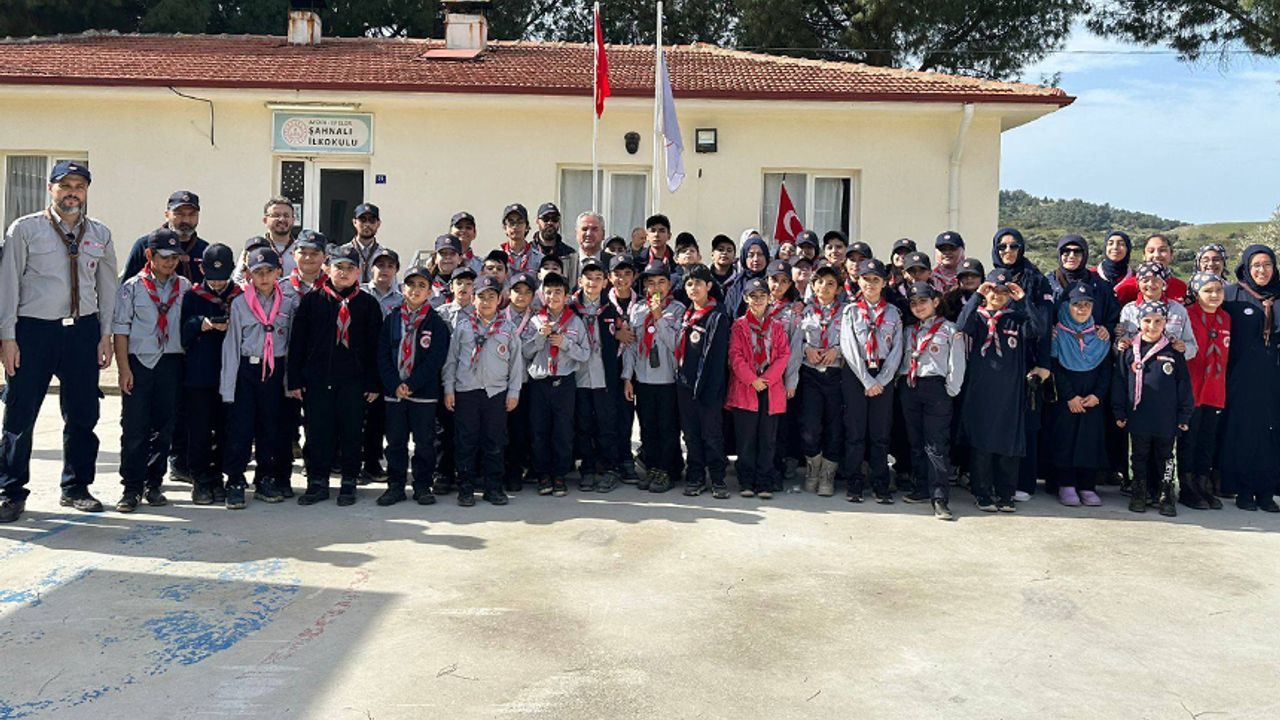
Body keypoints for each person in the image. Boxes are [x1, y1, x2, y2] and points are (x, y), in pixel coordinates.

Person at [0, 161, 118, 523]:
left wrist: (105, 335)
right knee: (20, 414)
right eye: (65, 185)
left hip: (82, 332)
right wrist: (7, 337)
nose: (72, 193)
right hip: (34, 331)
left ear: (86, 191)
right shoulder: (25, 229)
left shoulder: (100, 233)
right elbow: (8, 285)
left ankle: (76, 488)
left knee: (83, 414)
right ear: (50, 188)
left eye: (79, 186)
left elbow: (108, 288)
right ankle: (10, 491)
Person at [288, 244, 382, 507]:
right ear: (328, 269)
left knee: (351, 432)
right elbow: (298, 343)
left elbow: (376, 346)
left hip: (353, 381)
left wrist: (374, 381)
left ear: (359, 272)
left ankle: (349, 482)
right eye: (339, 267)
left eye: (350, 268)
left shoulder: (368, 304)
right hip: (318, 380)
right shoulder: (312, 301)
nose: (344, 272)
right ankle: (317, 482)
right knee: (317, 432)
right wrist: (295, 379)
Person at [112, 228, 190, 512]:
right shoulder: (131, 288)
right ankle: (131, 487)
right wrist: (123, 369)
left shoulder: (184, 287)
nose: (170, 262)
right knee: (135, 427)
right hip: (140, 363)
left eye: (175, 257)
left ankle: (153, 483)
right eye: (165, 256)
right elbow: (121, 331)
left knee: (164, 427)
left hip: (171, 362)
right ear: (149, 255)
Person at [956, 270, 1041, 512]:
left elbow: (1038, 330)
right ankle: (982, 493)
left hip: (1010, 391)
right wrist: (976, 296)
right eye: (994, 290)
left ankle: (1006, 493)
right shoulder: (978, 318)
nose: (998, 296)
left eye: (1004, 292)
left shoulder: (1015, 318)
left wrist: (1023, 300)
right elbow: (961, 326)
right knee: (981, 444)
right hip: (981, 390)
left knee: (1008, 444)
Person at [220, 247, 297, 509]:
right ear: (248, 275)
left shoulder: (288, 303)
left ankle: (265, 477)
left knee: (270, 426)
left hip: (275, 371)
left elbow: (291, 344)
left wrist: (289, 383)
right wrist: (228, 386)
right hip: (247, 370)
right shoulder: (240, 303)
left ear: (279, 272)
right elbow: (231, 345)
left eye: (268, 271)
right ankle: (235, 480)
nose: (263, 277)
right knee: (240, 428)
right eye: (258, 272)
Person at [443, 275, 524, 507]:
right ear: (473, 299)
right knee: (465, 441)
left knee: (494, 441)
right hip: (466, 391)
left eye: (491, 296)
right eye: (481, 296)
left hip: (495, 393)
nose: (486, 301)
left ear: (500, 300)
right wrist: (449, 388)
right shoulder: (463, 327)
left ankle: (493, 487)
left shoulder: (508, 329)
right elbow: (451, 361)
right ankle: (465, 487)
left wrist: (514, 392)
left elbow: (516, 364)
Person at [376, 260, 451, 506]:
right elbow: (382, 355)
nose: (415, 290)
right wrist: (394, 383)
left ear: (429, 292)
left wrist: (413, 383)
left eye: (421, 285)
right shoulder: (392, 319)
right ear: (402, 288)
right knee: (395, 442)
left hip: (423, 393)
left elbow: (436, 359)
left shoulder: (436, 323)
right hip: (395, 393)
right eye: (410, 285)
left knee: (424, 442)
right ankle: (395, 485)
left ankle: (422, 485)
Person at [1112, 301, 1194, 516]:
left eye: (1158, 321)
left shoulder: (1173, 351)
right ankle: (1139, 491)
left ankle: (1166, 493)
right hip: (1138, 414)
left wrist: (1184, 415)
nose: (1152, 326)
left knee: (1166, 457)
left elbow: (1184, 384)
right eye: (1147, 321)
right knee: (1139, 456)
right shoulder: (1129, 350)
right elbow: (1120, 382)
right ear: (1139, 322)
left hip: (1166, 416)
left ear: (1165, 322)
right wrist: (1119, 411)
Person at [990, 228, 1053, 501]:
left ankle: (1024, 483)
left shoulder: (1037, 280)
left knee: (1028, 423)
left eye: (1014, 246)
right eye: (1002, 247)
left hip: (1029, 360)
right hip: (1000, 361)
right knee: (1000, 420)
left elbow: (1045, 326)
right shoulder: (993, 278)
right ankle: (997, 480)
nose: (1008, 251)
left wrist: (1044, 364)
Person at [1218, 245, 1280, 512]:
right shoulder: (1233, 295)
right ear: (1246, 267)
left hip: (1274, 377)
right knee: (1243, 433)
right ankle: (1243, 490)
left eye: (1267, 265)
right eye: (1256, 265)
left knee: (1271, 434)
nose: (1262, 270)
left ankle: (1266, 491)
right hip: (1241, 378)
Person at [897, 281, 965, 520]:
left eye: (923, 301)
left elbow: (957, 363)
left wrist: (951, 390)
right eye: (914, 303)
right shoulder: (909, 331)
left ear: (935, 301)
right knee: (916, 441)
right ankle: (921, 487)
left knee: (936, 445)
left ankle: (940, 497)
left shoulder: (950, 329)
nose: (918, 307)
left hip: (936, 388)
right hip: (910, 386)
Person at [839, 258, 903, 503]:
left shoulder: (894, 313)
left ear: (884, 283)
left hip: (883, 374)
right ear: (858, 281)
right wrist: (866, 380)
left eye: (876, 279)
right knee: (855, 432)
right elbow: (848, 347)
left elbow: (897, 349)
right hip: (857, 374)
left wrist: (882, 380)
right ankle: (854, 482)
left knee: (880, 433)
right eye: (866, 279)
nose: (871, 284)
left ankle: (880, 483)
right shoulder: (850, 311)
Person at [181, 243, 240, 505]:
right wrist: (200, 324)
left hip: (230, 374)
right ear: (202, 270)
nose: (217, 283)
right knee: (199, 429)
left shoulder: (239, 296)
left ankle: (219, 476)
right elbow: (181, 334)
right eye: (213, 277)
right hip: (200, 375)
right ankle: (201, 479)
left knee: (227, 428)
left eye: (223, 277)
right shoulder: (193, 297)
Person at [1046, 282, 1112, 508]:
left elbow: (1106, 369)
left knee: (1089, 441)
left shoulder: (1100, 335)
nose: (1082, 309)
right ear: (1067, 306)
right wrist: (1070, 396)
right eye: (1076, 305)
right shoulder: (1057, 335)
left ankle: (1087, 486)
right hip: (1067, 400)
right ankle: (1066, 484)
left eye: (1087, 305)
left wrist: (1097, 395)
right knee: (1065, 440)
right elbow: (1055, 368)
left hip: (1091, 400)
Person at [524, 272, 589, 496]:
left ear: (567, 296)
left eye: (558, 292)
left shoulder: (575, 321)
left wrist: (565, 343)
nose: (553, 296)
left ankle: (560, 474)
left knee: (563, 430)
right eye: (549, 292)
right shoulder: (535, 320)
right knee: (539, 430)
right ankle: (543, 474)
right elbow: (525, 352)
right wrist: (539, 338)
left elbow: (585, 354)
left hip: (564, 383)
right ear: (542, 295)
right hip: (540, 383)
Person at [622, 261, 684, 492]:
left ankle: (667, 470)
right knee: (648, 426)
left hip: (667, 379)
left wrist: (659, 317)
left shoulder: (677, 310)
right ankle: (653, 467)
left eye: (661, 282)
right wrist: (627, 377)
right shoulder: (638, 309)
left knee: (668, 427)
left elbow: (676, 345)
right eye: (651, 283)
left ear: (669, 284)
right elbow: (631, 346)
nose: (656, 287)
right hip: (643, 378)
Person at [728, 275, 790, 499]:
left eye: (762, 295)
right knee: (746, 438)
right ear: (746, 298)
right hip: (746, 387)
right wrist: (752, 379)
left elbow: (783, 355)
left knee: (767, 438)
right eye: (752, 296)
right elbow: (735, 356)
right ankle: (746, 480)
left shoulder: (777, 326)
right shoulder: (739, 326)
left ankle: (764, 481)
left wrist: (767, 379)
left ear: (769, 298)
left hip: (770, 389)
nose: (758, 300)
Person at [673, 264, 731, 497]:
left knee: (712, 434)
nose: (693, 288)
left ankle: (717, 478)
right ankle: (695, 475)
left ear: (708, 286)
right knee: (690, 433)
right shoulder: (686, 315)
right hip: (685, 384)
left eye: (698, 283)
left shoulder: (717, 316)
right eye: (689, 284)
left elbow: (716, 358)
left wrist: (708, 387)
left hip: (709, 387)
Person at [1177, 271, 1229, 510]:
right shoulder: (1187, 315)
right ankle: (1187, 487)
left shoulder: (1226, 318)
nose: (1214, 295)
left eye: (1218, 290)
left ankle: (1202, 483)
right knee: (1189, 439)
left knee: (1208, 439)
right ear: (1196, 293)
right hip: (1192, 387)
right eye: (1208, 290)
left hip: (1215, 388)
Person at [572, 259, 623, 493]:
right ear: (579, 281)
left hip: (604, 377)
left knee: (607, 424)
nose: (592, 282)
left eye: (597, 278)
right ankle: (588, 469)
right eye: (588, 278)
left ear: (605, 283)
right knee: (583, 424)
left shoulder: (612, 310)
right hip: (579, 376)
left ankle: (610, 468)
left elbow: (622, 340)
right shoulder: (571, 310)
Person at [795, 263, 844, 496]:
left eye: (831, 283)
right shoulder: (803, 311)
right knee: (810, 425)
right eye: (820, 282)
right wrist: (806, 349)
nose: (825, 287)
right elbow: (794, 339)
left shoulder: (848, 311)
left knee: (835, 426)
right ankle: (813, 468)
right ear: (813, 286)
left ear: (838, 289)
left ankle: (827, 474)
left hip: (836, 374)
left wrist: (838, 350)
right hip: (810, 374)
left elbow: (853, 339)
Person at [361, 246, 402, 482]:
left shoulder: (401, 299)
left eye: (390, 266)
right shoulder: (360, 293)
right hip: (362, 362)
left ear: (396, 270)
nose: (384, 270)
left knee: (379, 418)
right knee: (357, 418)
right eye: (380, 265)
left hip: (389, 364)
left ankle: (373, 463)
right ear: (370, 268)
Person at [604, 255, 641, 483]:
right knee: (610, 414)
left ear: (634, 276)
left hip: (636, 366)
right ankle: (611, 462)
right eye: (617, 274)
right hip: (609, 365)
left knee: (628, 414)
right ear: (609, 277)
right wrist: (616, 335)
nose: (622, 279)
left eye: (627, 273)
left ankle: (627, 458)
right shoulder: (603, 304)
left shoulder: (642, 303)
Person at [120, 190, 210, 284]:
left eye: (192, 214)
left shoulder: (205, 250)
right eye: (179, 214)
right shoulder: (145, 245)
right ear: (167, 215)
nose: (186, 220)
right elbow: (127, 286)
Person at [503, 271, 540, 492]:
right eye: (517, 291)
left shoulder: (538, 319)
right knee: (501, 429)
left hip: (527, 382)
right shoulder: (498, 316)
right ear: (509, 292)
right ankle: (502, 471)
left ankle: (518, 471)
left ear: (533, 296)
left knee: (521, 429)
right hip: (501, 382)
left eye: (527, 292)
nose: (521, 296)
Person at [1115, 262, 1197, 360]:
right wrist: (1121, 343)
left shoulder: (1178, 310)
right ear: (1138, 284)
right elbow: (1122, 341)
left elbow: (1192, 346)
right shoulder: (1128, 310)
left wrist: (1184, 349)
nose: (1150, 284)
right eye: (1145, 280)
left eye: (1156, 280)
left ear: (1164, 283)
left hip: (1169, 365)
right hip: (1137, 364)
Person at [1114, 234, 1187, 306]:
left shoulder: (1181, 287)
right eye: (1151, 251)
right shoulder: (1127, 287)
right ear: (1144, 255)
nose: (1157, 255)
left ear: (1171, 254)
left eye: (1162, 250)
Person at [724, 231, 770, 318]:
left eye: (760, 254)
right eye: (751, 255)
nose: (756, 259)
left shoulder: (773, 281)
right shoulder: (736, 285)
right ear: (744, 258)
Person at [569, 211, 610, 289]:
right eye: (584, 229)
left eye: (594, 229)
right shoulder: (564, 264)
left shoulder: (612, 263)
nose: (589, 234)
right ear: (576, 233)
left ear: (603, 234)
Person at [260, 196, 299, 277]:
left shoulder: (301, 250)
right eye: (276, 215)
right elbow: (239, 279)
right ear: (265, 220)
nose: (282, 219)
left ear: (293, 220)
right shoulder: (255, 248)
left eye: (286, 215)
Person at [501, 203, 543, 274]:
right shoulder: (497, 258)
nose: (515, 227)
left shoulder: (539, 259)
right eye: (511, 222)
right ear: (505, 228)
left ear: (527, 227)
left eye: (520, 222)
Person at [350, 202, 383, 283]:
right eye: (363, 220)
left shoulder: (384, 255)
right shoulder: (343, 253)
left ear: (378, 224)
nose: (367, 224)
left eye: (372, 220)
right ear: (354, 222)